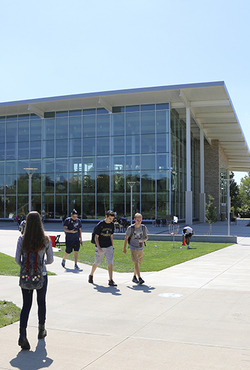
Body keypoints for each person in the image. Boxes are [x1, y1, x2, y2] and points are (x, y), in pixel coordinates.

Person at [15, 211, 54, 350]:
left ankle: (22, 335)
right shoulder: (46, 239)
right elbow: (50, 260)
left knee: (26, 305)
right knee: (41, 302)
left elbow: (17, 259)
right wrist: (40, 266)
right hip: (41, 275)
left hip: (26, 275)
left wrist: (27, 268)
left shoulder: (22, 239)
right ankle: (41, 330)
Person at [89, 210, 117, 286]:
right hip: (101, 246)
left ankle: (111, 280)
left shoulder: (112, 225)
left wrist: (112, 247)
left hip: (108, 246)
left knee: (110, 263)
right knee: (97, 262)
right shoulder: (100, 224)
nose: (111, 220)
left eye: (112, 219)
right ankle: (91, 275)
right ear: (106, 216)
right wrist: (98, 247)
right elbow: (96, 237)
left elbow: (111, 236)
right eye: (110, 218)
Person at [123, 213, 148, 285]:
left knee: (138, 263)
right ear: (134, 219)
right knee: (136, 262)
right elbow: (126, 238)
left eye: (140, 220)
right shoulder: (131, 228)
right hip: (132, 247)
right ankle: (140, 278)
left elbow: (146, 237)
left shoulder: (143, 227)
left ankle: (134, 277)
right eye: (137, 220)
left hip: (140, 247)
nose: (139, 222)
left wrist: (144, 240)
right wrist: (124, 248)